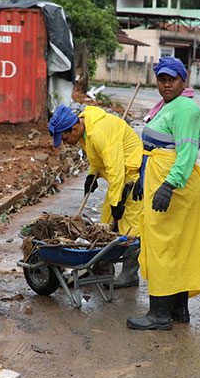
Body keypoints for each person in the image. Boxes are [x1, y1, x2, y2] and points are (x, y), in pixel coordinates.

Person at [127, 57, 200, 330]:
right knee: (177, 248)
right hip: (162, 183)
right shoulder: (169, 106)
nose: (166, 84)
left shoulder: (186, 110)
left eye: (172, 79)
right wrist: (141, 179)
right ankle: (179, 310)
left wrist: (169, 185)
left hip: (174, 188)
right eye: (162, 79)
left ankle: (159, 314)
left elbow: (187, 152)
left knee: (163, 248)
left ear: (184, 80)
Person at [48, 104, 143, 288]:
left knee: (130, 227)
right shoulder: (84, 132)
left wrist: (117, 203)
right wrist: (93, 174)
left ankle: (130, 275)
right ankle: (102, 268)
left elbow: (115, 170)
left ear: (74, 128)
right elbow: (98, 158)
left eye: (65, 137)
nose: (66, 142)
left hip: (131, 176)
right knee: (106, 223)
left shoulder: (98, 133)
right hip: (119, 178)